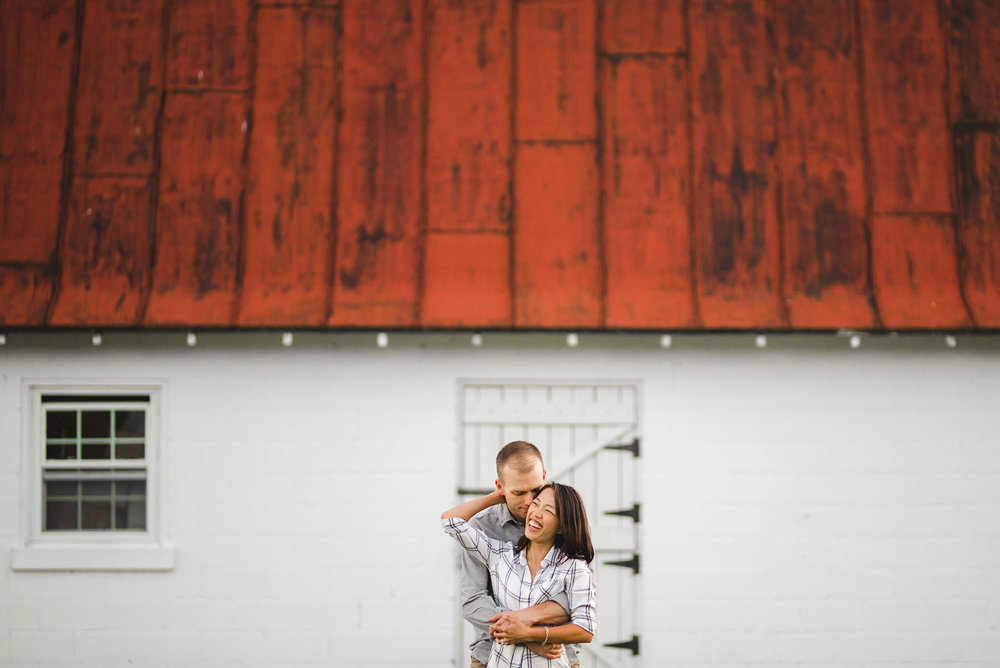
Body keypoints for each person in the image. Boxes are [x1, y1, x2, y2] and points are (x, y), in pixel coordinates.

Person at [443, 480, 596, 667]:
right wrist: (499, 496)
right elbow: (450, 521)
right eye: (536, 503)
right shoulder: (500, 555)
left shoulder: (575, 568)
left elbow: (585, 629)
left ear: (562, 527)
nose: (536, 513)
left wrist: (529, 634)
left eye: (548, 510)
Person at [459, 442, 582, 667]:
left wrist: (527, 632)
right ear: (500, 487)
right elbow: (473, 601)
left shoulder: (570, 523)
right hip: (492, 656)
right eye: (518, 492)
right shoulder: (481, 529)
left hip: (556, 656)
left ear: (544, 476)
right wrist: (524, 636)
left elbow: (578, 597)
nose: (528, 501)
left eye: (535, 490)